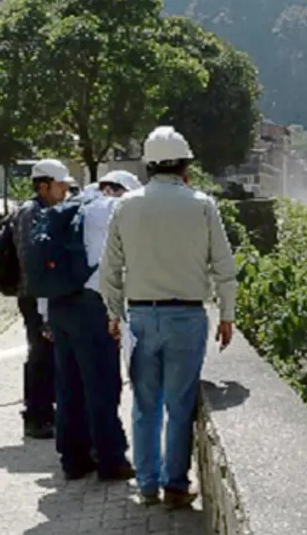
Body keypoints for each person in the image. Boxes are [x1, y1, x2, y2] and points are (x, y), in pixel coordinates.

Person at [102, 126, 237, 508]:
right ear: (184, 166)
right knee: (179, 407)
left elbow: (110, 271)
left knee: (145, 406)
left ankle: (146, 485)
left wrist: (115, 314)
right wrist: (227, 314)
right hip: (188, 318)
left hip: (141, 318)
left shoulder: (125, 206)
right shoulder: (202, 204)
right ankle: (175, 486)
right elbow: (224, 267)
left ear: (148, 164)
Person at [42, 171, 140, 482]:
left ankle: (74, 460)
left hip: (58, 305)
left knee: (69, 385)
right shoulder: (111, 209)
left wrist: (45, 314)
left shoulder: (68, 206)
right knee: (102, 385)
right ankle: (111, 461)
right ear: (120, 190)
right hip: (91, 306)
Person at [9, 159, 72, 439]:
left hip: (47, 293)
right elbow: (30, 258)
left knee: (50, 354)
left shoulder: (51, 210)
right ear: (43, 186)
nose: (65, 190)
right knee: (40, 353)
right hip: (34, 295)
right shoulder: (29, 213)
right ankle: (36, 415)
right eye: (60, 185)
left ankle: (47, 410)